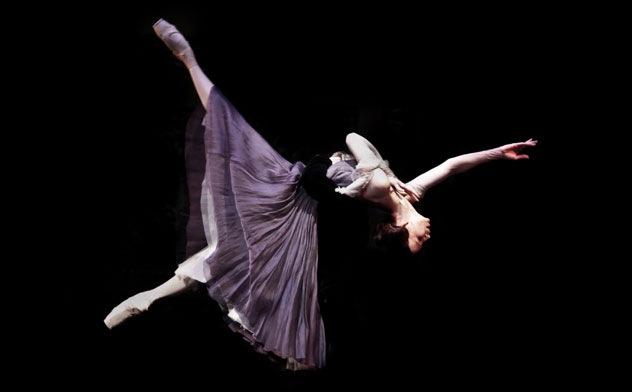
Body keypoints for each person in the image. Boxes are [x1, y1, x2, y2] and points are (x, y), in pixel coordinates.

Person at [104, 18, 538, 370]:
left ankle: (152, 296)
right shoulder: (410, 192)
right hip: (302, 183)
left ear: (400, 229)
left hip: (291, 193)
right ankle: (156, 293)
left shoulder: (367, 194)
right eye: (425, 238)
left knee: (234, 143)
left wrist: (373, 168)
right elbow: (452, 165)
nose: (429, 233)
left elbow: (352, 138)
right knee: (230, 226)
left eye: (419, 239)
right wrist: (499, 153)